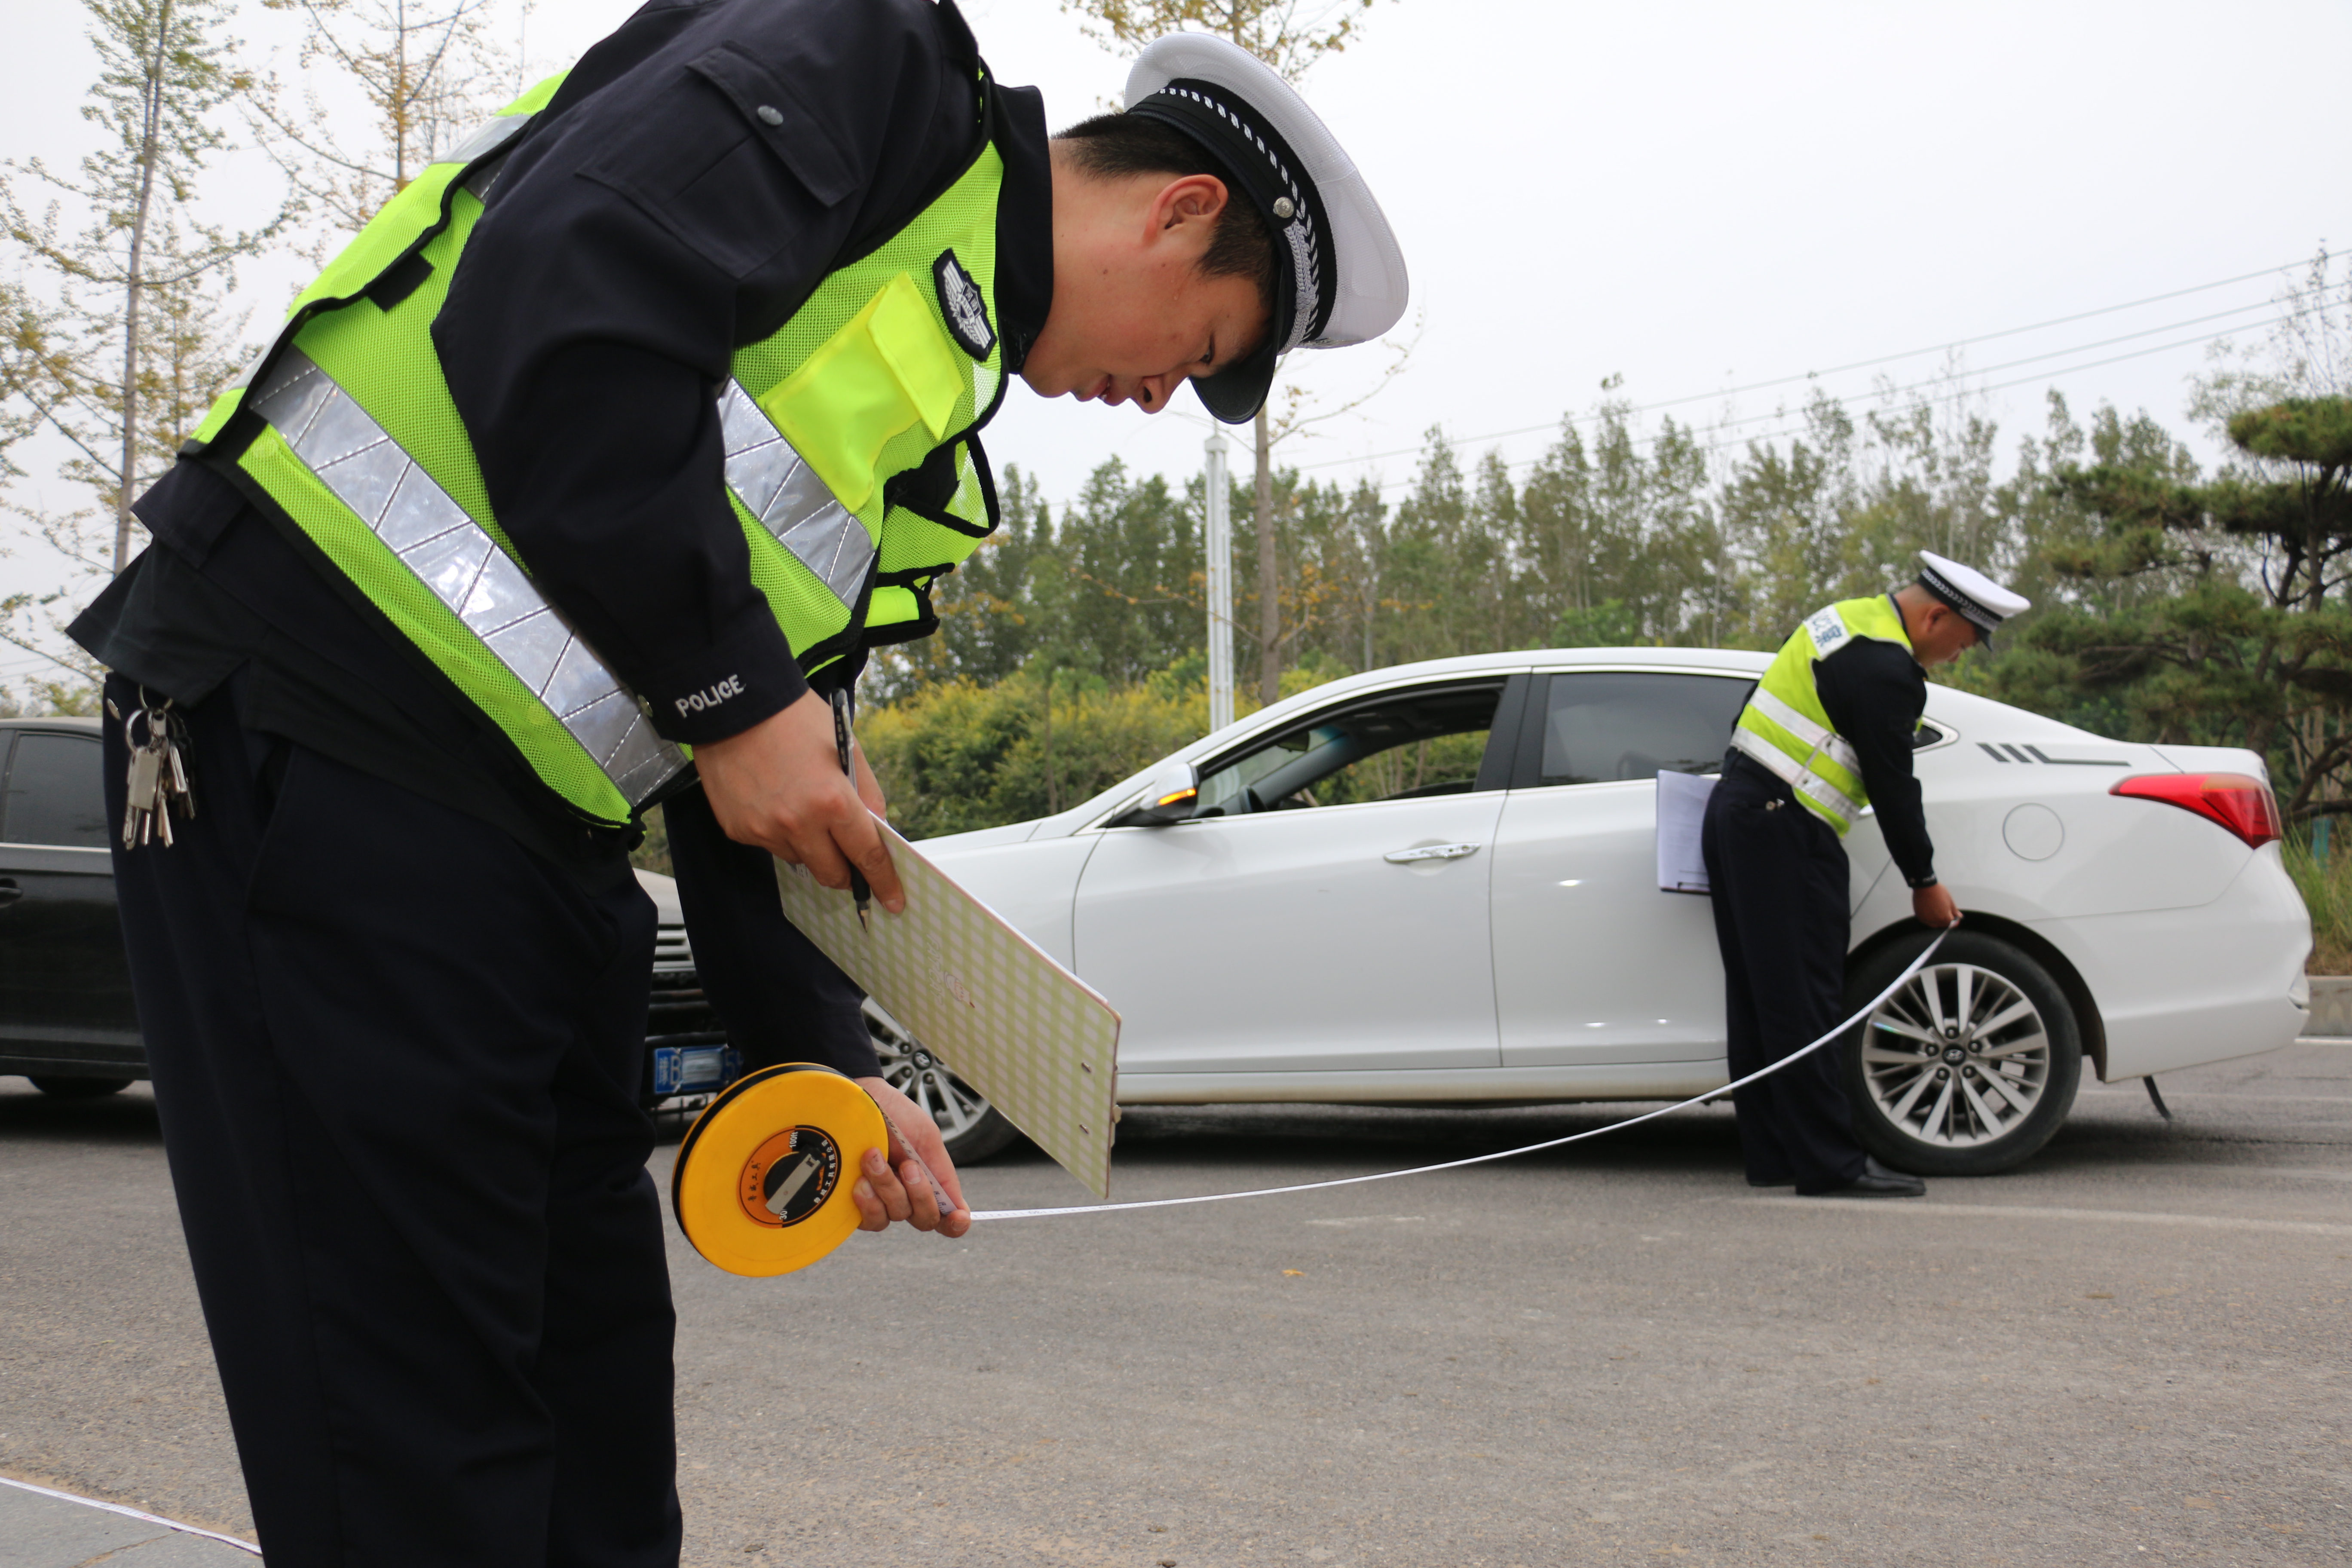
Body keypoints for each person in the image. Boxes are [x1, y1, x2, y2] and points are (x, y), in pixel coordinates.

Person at [64, 3, 1408, 1563]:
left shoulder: (926, 438)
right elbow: (558, 294)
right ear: (1181, 212)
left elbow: (766, 779)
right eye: (1210, 351)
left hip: (528, 850)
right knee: (412, 1437)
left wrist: (820, 1063)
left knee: (594, 1415)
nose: (1165, 395)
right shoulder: (869, 66)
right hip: (317, 731)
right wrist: (736, 690)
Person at [1700, 551, 2029, 1198]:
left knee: (1761, 999)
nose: (1957, 657)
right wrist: (1924, 880)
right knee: (1807, 1004)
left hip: (1740, 814)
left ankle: (1774, 1156)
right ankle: (1831, 1165)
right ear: (1936, 616)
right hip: (1785, 830)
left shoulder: (1842, 621)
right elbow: (1893, 783)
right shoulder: (1887, 671)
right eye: (1962, 643)